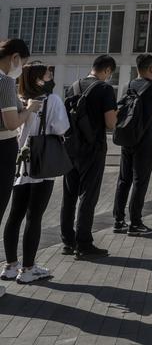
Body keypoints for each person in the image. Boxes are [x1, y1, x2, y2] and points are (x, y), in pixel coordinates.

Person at [2, 62, 69, 284]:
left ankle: (11, 265)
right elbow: (61, 128)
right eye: (48, 74)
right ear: (40, 79)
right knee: (34, 216)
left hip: (20, 161)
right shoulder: (52, 100)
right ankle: (28, 268)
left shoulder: (18, 98)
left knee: (15, 215)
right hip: (42, 163)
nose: (51, 76)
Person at [60, 55, 117, 259]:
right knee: (88, 196)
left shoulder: (73, 86)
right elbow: (110, 123)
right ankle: (84, 244)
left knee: (69, 196)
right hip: (93, 149)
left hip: (71, 148)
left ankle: (68, 241)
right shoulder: (104, 89)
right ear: (107, 70)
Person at [113, 54, 152, 236]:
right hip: (144, 142)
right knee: (140, 181)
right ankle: (135, 223)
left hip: (127, 138)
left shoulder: (127, 86)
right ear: (151, 69)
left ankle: (118, 220)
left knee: (124, 179)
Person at [0, 40, 39, 296]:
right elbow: (11, 121)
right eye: (22, 63)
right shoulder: (3, 82)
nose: (21, 68)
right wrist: (29, 109)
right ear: (14, 57)